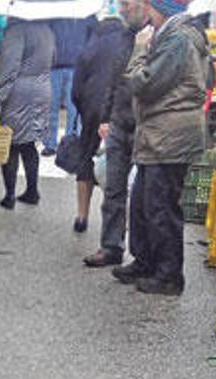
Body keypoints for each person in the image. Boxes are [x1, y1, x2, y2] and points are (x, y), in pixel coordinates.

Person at [112, 0, 209, 296]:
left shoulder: (178, 39)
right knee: (142, 202)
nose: (145, 14)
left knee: (161, 207)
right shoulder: (172, 34)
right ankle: (145, 262)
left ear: (158, 8)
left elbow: (144, 83)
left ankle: (168, 275)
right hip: (159, 134)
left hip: (170, 136)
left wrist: (140, 50)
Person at [73, 2, 139, 257]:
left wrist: (87, 112)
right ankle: (117, 241)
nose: (123, 10)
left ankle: (82, 215)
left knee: (88, 162)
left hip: (97, 110)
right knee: (118, 179)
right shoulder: (128, 39)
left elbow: (77, 88)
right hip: (119, 114)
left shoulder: (92, 46)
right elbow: (118, 80)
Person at [0, 17, 54, 210]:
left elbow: (8, 69)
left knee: (10, 143)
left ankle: (9, 195)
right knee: (29, 142)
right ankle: (32, 190)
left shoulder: (16, 32)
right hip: (42, 88)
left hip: (19, 92)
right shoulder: (47, 30)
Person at [42, 16, 95, 158]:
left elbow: (93, 35)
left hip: (77, 66)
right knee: (51, 106)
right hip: (54, 65)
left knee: (74, 107)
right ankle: (50, 143)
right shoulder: (56, 10)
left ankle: (72, 143)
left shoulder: (86, 12)